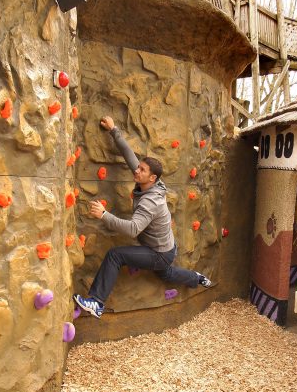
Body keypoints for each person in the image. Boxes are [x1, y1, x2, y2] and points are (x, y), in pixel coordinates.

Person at [73, 116, 212, 318]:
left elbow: (132, 230)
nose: (136, 170)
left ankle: (96, 303)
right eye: (139, 168)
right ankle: (196, 278)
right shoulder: (151, 182)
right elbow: (130, 156)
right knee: (167, 273)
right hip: (167, 247)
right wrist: (114, 130)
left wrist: (104, 215)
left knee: (115, 255)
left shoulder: (150, 202)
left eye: (142, 170)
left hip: (159, 252)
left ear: (152, 178)